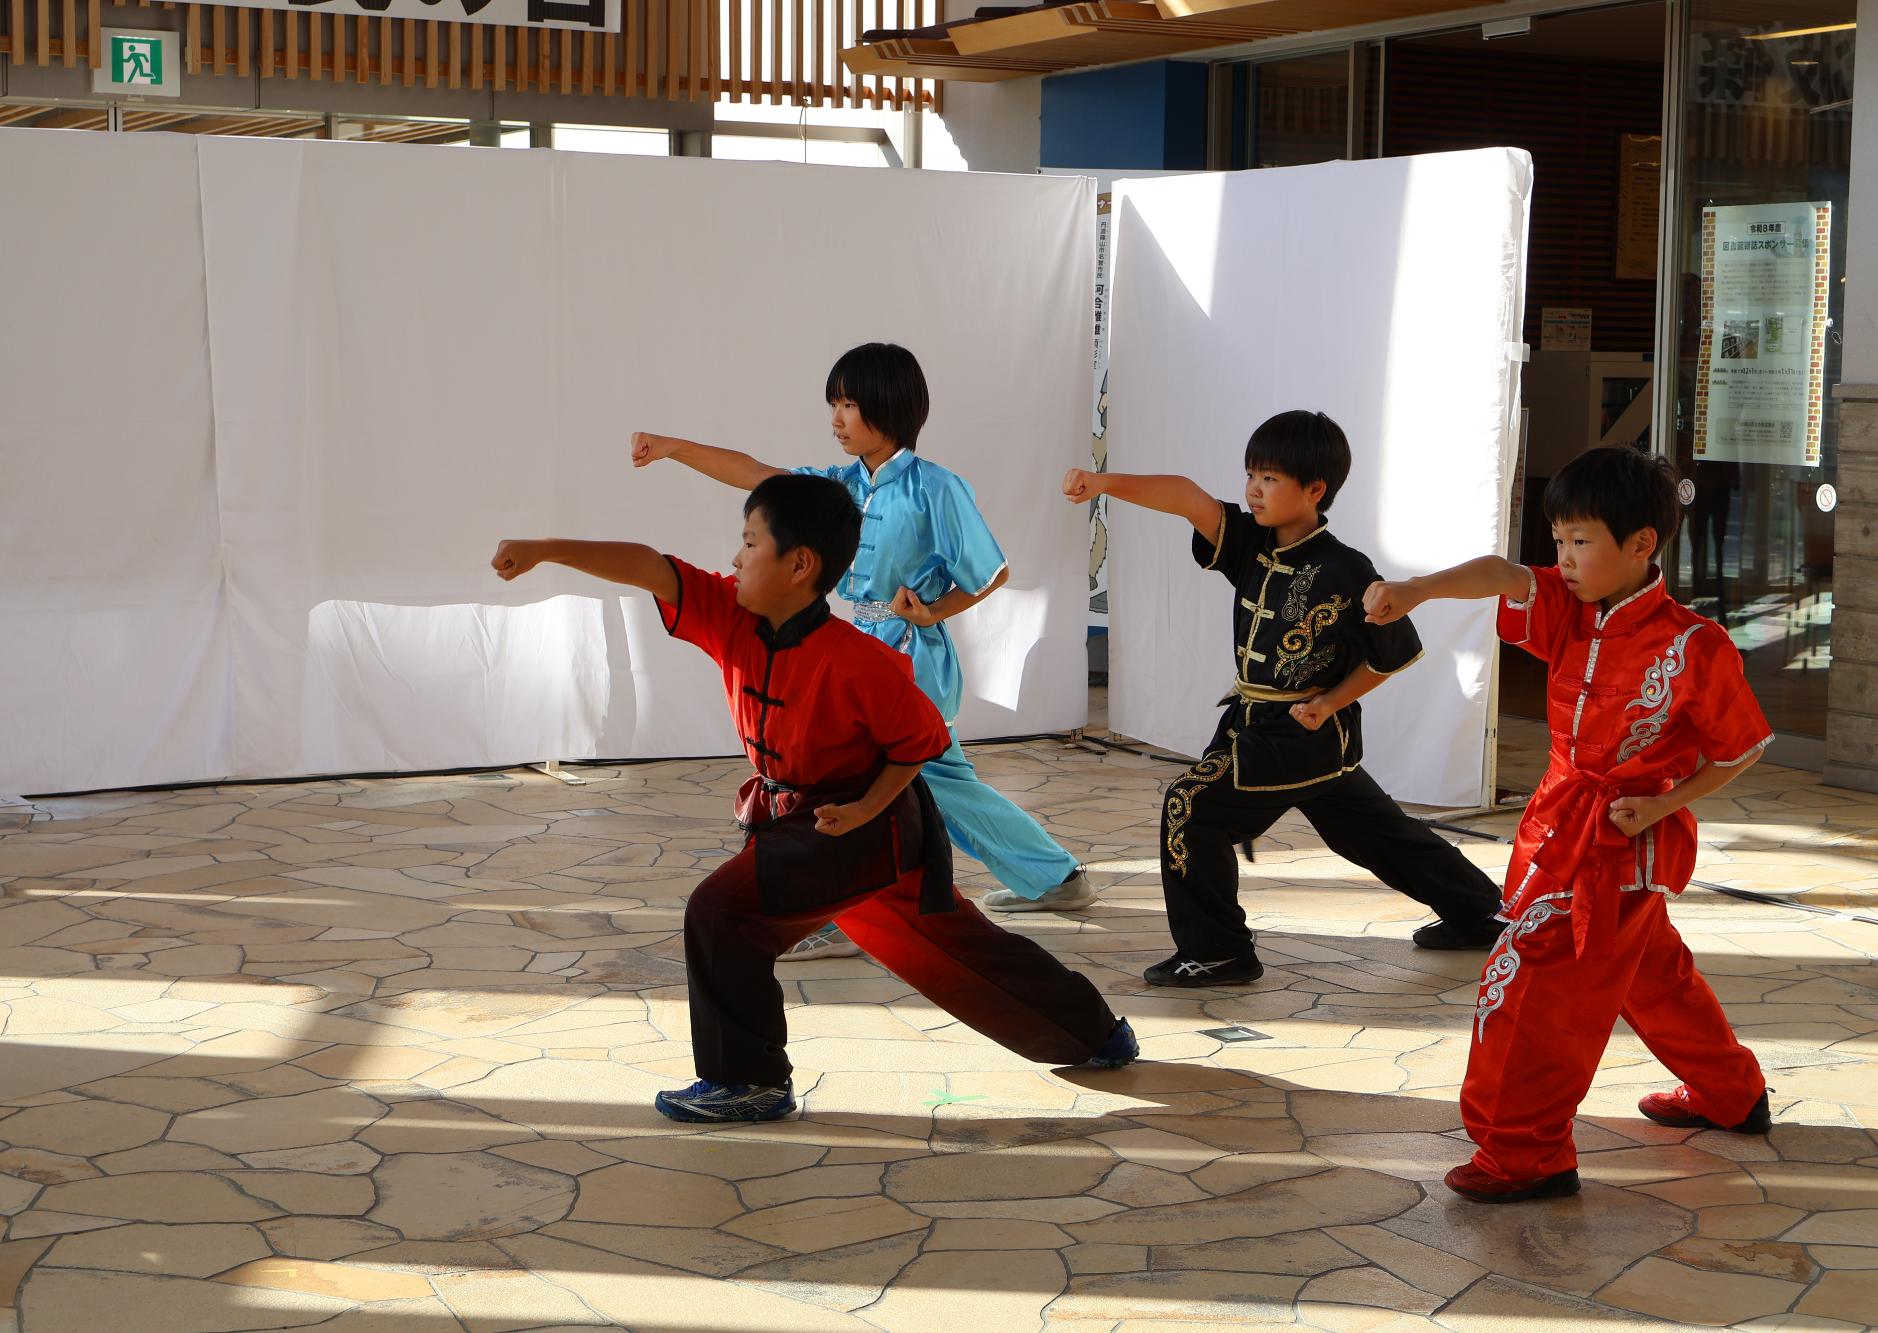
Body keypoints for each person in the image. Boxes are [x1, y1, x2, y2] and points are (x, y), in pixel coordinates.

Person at [489, 473, 1137, 1123]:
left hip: (861, 824)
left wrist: (863, 809)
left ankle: (751, 1081)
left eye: (750, 542)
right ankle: (1097, 1034)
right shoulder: (728, 614)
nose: (736, 557)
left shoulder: (862, 661)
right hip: (818, 823)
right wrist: (545, 547)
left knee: (722, 912)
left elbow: (920, 740)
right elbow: (649, 566)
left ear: (800, 564)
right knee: (955, 946)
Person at [1364, 445, 1773, 1204]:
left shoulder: (1695, 646)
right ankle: (1733, 1092)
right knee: (1651, 974)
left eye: (1580, 542)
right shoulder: (1567, 607)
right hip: (1559, 817)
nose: (1564, 560)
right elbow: (1499, 572)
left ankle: (1526, 1153)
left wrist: (1661, 803)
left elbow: (1741, 749)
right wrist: (1417, 590)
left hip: (1617, 842)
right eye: (1558, 542)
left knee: (1535, 991)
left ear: (1642, 543)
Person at [632, 342, 1097, 968]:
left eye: (849, 404)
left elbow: (993, 571)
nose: (837, 418)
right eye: (834, 404)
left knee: (878, 780)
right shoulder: (841, 486)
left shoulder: (937, 488)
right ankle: (1054, 878)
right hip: (851, 648)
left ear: (888, 407)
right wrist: (673, 448)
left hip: (913, 657)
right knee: (934, 782)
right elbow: (760, 476)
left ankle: (833, 908)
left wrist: (932, 612)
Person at [1064, 410, 1506, 989]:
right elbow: (1187, 497)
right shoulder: (1249, 542)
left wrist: (1329, 703)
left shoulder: (1348, 570)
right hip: (1267, 726)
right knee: (1373, 833)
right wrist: (1103, 484)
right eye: (1251, 474)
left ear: (1315, 489)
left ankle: (1219, 951)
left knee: (1190, 809)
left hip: (1299, 733)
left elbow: (1390, 655)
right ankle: (1483, 914)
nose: (1253, 488)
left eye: (1270, 478)